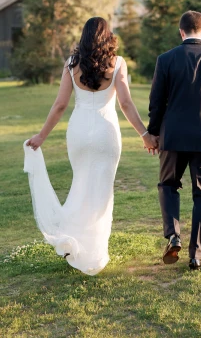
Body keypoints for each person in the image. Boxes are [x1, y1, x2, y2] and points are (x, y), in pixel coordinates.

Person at [23, 16, 157, 276]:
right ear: (108, 37)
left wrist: (41, 136)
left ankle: (75, 242)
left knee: (80, 185)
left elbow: (60, 105)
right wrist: (144, 133)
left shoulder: (71, 65)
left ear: (84, 37)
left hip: (80, 132)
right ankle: (95, 250)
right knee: (102, 192)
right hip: (106, 133)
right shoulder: (117, 64)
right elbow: (126, 104)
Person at [147, 10, 201, 270]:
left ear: (181, 32)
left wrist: (153, 133)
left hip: (172, 136)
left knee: (167, 185)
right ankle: (196, 254)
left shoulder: (165, 60)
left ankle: (173, 234)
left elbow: (156, 102)